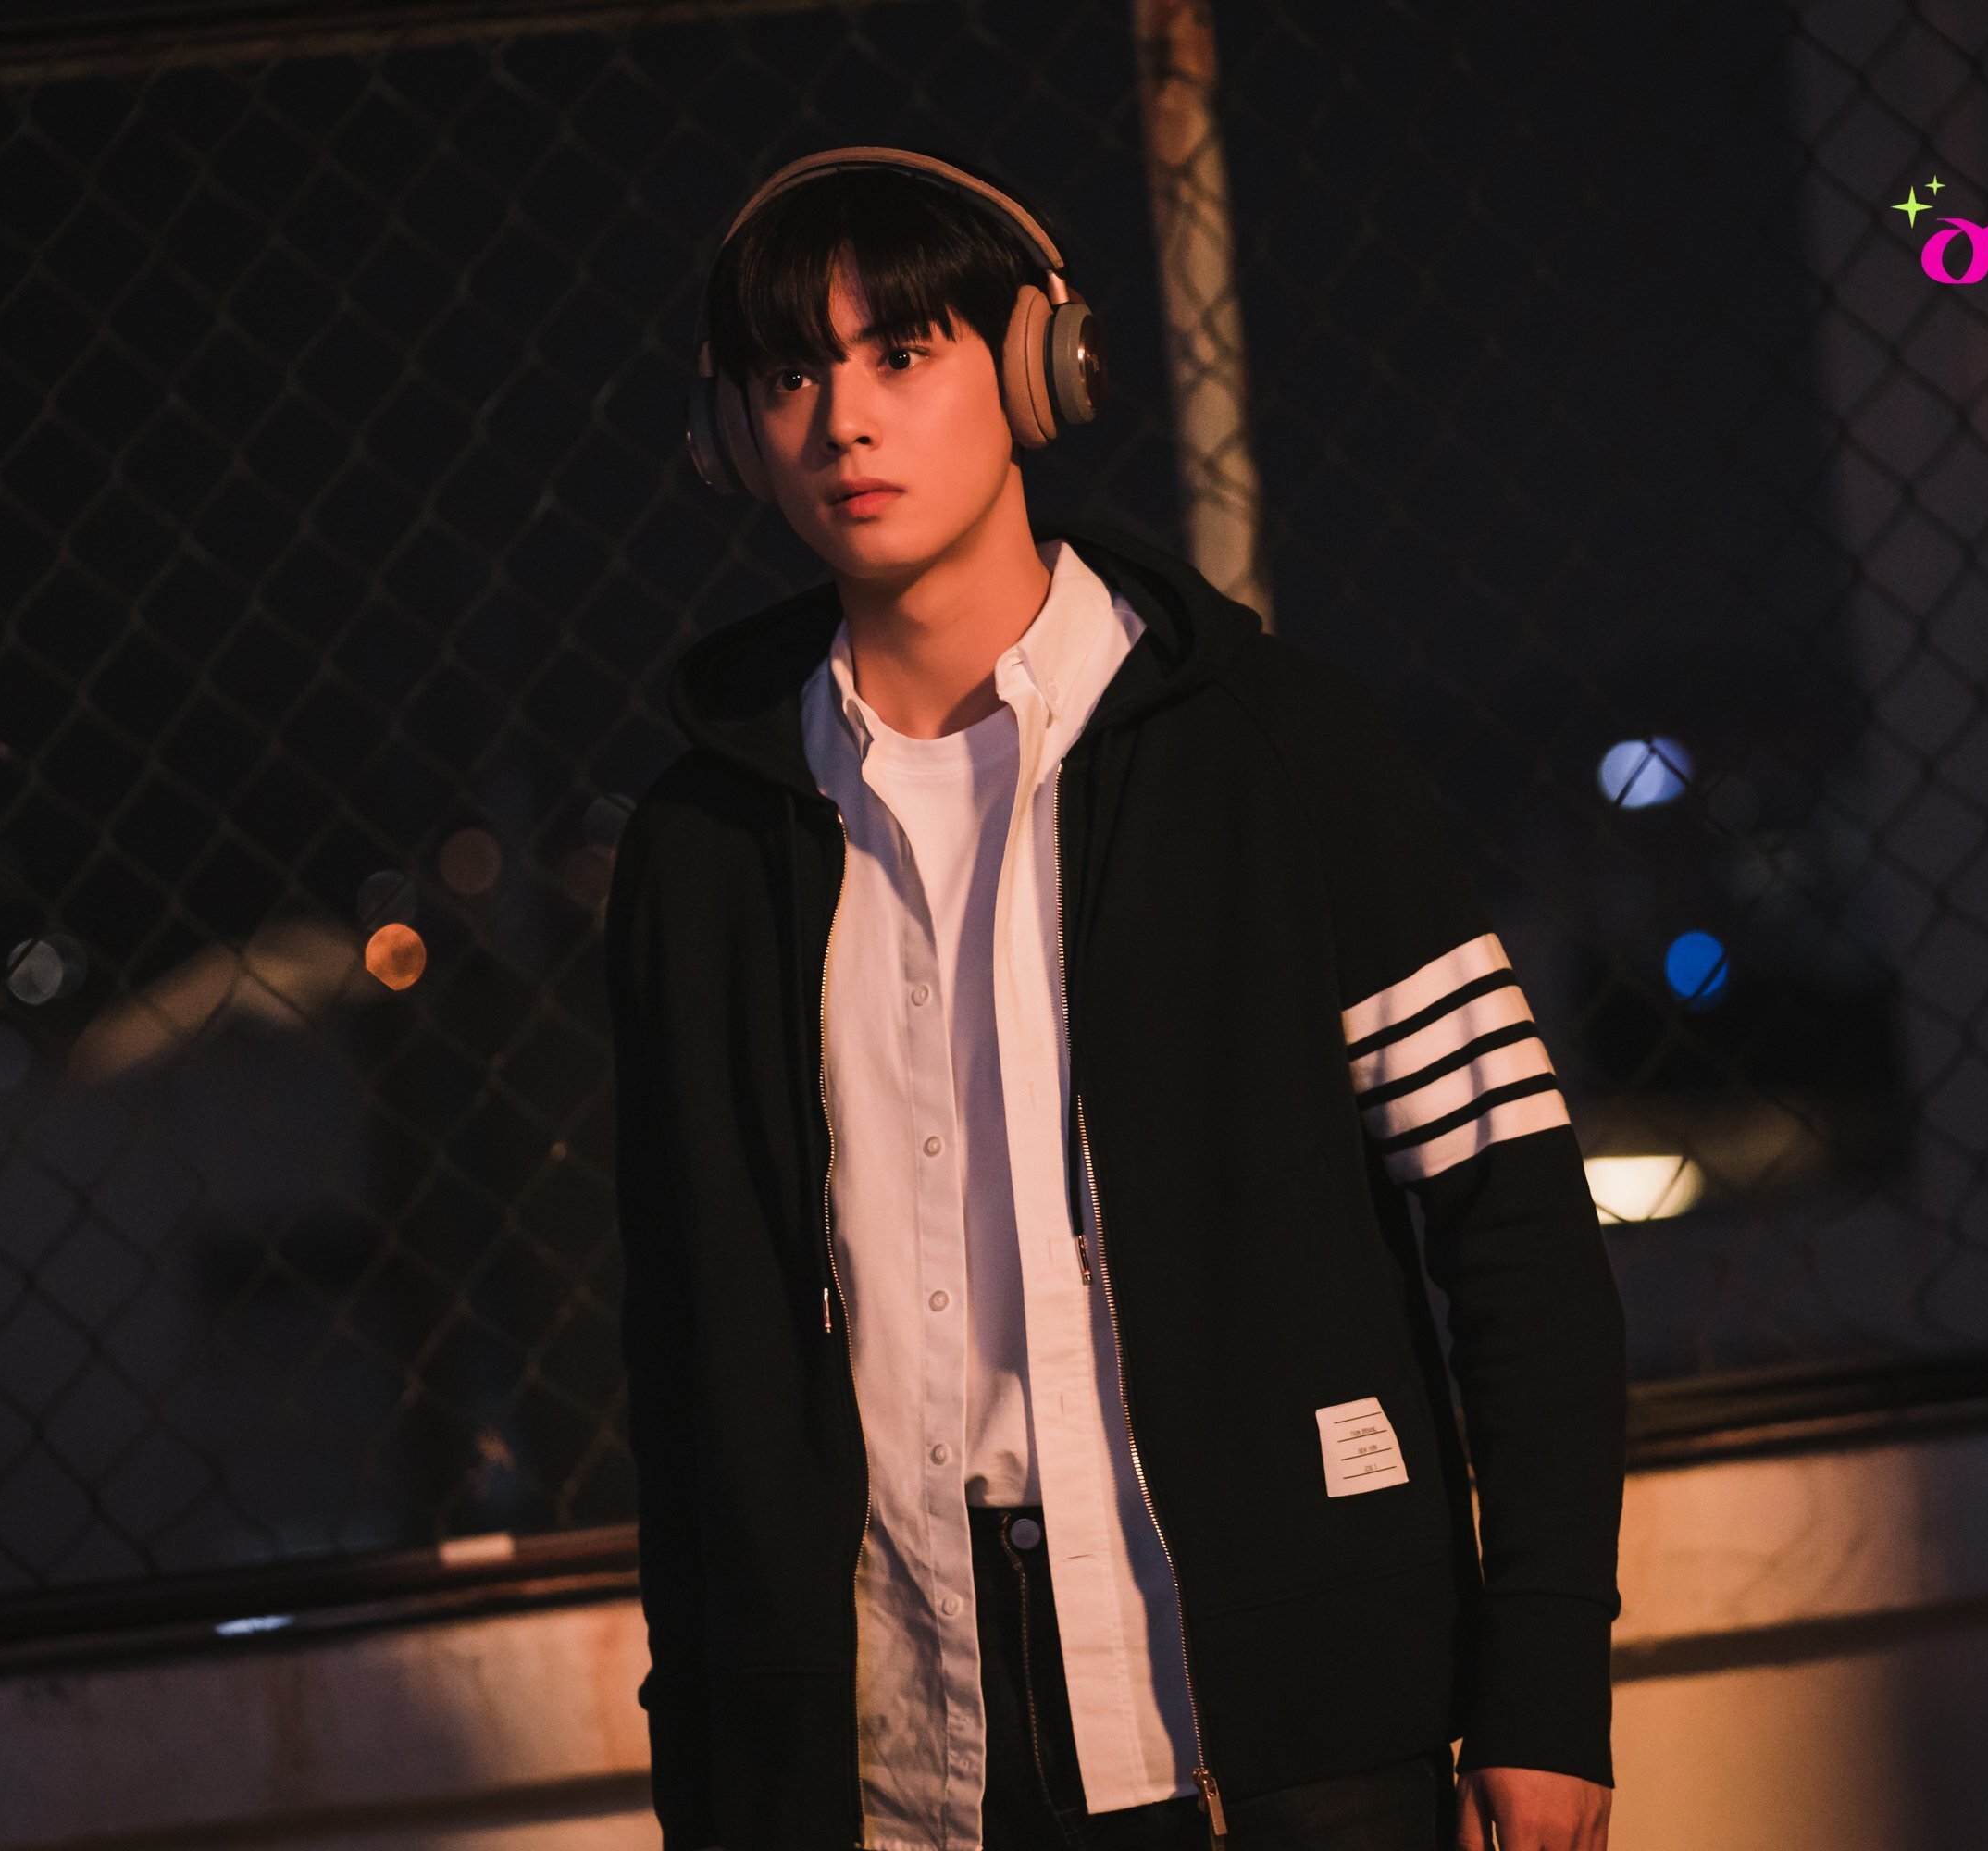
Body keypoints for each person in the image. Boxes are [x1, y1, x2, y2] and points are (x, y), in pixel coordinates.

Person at [605, 146, 1625, 1851]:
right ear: (730, 429)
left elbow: (1513, 1220)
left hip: (1288, 1722)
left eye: (903, 353)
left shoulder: (1284, 754)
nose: (845, 421)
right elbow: (684, 1357)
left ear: (1038, 368)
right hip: (889, 1760)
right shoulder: (701, 851)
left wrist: (1543, 1684)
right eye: (789, 375)